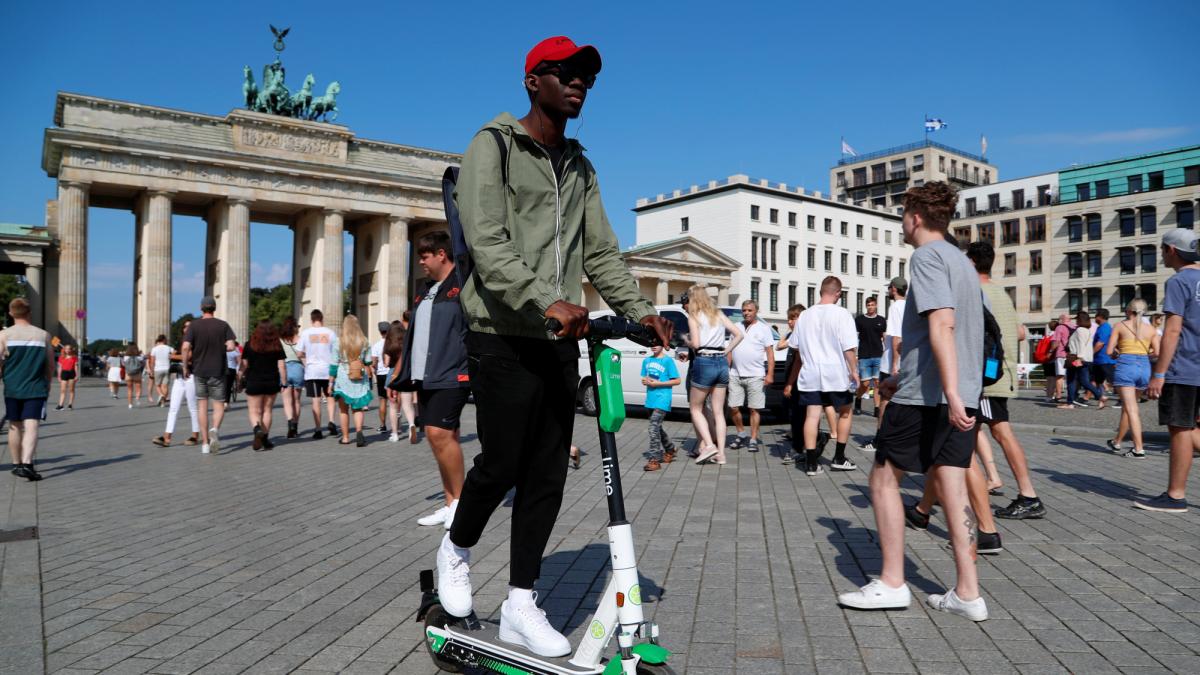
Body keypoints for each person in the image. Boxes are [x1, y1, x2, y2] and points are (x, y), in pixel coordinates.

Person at [435, 35, 673, 658]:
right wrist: (547, 300)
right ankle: (456, 550)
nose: (579, 85)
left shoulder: (581, 165)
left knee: (547, 473)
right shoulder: (493, 146)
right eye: (566, 74)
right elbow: (486, 242)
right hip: (501, 330)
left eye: (587, 78)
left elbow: (600, 251)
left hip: (557, 337)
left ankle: (520, 601)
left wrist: (640, 310)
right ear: (532, 81)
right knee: (504, 461)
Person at [838, 182, 988, 622]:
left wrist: (946, 391)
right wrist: (909, 376)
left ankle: (890, 582)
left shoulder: (926, 256)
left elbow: (942, 323)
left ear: (915, 217)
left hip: (931, 397)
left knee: (884, 479)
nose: (901, 223)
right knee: (954, 486)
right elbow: (954, 333)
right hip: (957, 391)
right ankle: (967, 592)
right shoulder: (962, 262)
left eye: (902, 214)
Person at [957, 242, 1047, 521]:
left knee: (999, 432)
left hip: (986, 378)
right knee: (970, 434)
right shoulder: (1002, 294)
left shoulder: (975, 293)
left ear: (971, 263)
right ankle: (960, 490)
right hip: (1001, 372)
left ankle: (1028, 495)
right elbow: (1020, 333)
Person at [393, 231, 471, 526]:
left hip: (453, 371)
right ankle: (450, 501)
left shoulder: (462, 284)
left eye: (424, 256)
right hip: (425, 374)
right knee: (440, 437)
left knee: (439, 434)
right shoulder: (426, 290)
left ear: (441, 254)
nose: (421, 262)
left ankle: (461, 505)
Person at [1139, 229, 1200, 512]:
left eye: (1162, 250)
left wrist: (1159, 373)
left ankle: (1175, 495)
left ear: (1171, 250)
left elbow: (1172, 330)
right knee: (1190, 429)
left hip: (1184, 367)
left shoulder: (1179, 281)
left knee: (1180, 429)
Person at [785, 276, 859, 475]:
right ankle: (839, 457)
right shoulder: (842, 314)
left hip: (810, 373)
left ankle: (810, 463)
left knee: (812, 415)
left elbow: (797, 352)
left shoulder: (805, 316)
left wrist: (792, 380)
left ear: (820, 291)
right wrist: (854, 371)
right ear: (838, 293)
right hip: (835, 372)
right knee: (845, 411)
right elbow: (849, 348)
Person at [685, 285, 742, 465]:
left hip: (704, 361)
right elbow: (739, 334)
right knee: (718, 412)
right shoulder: (718, 314)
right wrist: (726, 351)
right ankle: (721, 454)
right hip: (721, 362)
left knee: (695, 408)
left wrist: (686, 340)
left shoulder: (693, 317)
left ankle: (709, 445)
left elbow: (695, 343)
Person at [1, 298, 54, 481]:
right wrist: (48, 383)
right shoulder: (43, 335)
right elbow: (50, 365)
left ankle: (16, 464)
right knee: (31, 425)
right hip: (35, 387)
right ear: (29, 312)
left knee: (14, 425)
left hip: (12, 388)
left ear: (11, 313)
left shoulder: (4, 335)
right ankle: (27, 463)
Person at [182, 296, 236, 455]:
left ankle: (205, 443)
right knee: (219, 405)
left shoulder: (194, 325)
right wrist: (221, 348)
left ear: (201, 308)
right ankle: (215, 429)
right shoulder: (223, 325)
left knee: (202, 407)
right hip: (218, 371)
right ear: (214, 308)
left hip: (199, 371)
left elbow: (185, 347)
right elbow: (231, 346)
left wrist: (186, 366)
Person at [1106, 299, 1159, 458]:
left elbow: (1109, 350)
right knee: (1128, 408)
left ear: (1129, 311)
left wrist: (1119, 352)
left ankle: (1138, 448)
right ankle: (1117, 441)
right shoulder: (1151, 329)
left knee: (1131, 409)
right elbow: (1157, 352)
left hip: (1126, 366)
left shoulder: (1120, 326)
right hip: (1144, 367)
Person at [728, 299, 775, 452]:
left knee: (754, 409)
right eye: (744, 310)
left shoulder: (764, 328)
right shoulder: (736, 327)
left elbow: (769, 353)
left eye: (749, 310)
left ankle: (753, 438)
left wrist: (770, 374)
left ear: (756, 311)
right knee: (733, 407)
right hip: (735, 373)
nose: (746, 313)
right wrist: (726, 370)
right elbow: (730, 350)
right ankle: (741, 433)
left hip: (756, 375)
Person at [239, 320, 286, 451]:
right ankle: (265, 438)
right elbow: (281, 366)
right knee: (267, 410)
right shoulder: (277, 345)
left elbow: (244, 365)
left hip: (254, 381)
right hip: (271, 381)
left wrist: (238, 379)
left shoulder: (249, 345)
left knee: (254, 411)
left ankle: (256, 428)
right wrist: (284, 382)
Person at [153, 319, 200, 448]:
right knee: (173, 407)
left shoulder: (196, 342)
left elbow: (189, 356)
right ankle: (167, 437)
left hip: (191, 376)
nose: (187, 329)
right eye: (185, 327)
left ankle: (195, 435)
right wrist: (175, 355)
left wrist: (174, 356)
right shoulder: (182, 342)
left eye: (189, 326)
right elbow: (178, 354)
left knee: (192, 407)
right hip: (179, 377)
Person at [330, 314, 373, 446]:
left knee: (343, 410)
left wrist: (330, 382)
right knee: (358, 409)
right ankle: (359, 432)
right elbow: (368, 361)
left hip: (343, 378)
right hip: (359, 377)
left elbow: (333, 364)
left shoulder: (339, 341)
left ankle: (346, 437)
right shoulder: (364, 341)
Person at [298, 309, 338, 439]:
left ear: (311, 319)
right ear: (322, 319)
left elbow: (299, 353)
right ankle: (331, 422)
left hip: (312, 371)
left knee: (316, 400)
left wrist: (306, 356)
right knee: (330, 397)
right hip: (328, 370)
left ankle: (318, 429)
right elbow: (336, 351)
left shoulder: (305, 333)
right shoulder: (330, 333)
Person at [642, 341, 681, 471]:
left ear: (663, 345)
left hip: (663, 399)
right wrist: (645, 381)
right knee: (657, 428)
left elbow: (677, 380)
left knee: (653, 428)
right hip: (651, 400)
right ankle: (670, 449)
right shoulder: (647, 360)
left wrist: (657, 383)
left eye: (657, 343)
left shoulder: (667, 361)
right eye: (651, 342)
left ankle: (654, 460)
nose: (654, 345)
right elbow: (644, 378)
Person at [876, 278, 908, 430]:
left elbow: (896, 337)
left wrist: (894, 364)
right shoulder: (910, 306)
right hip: (906, 361)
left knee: (885, 399)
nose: (888, 290)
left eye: (889, 287)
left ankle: (880, 436)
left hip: (891, 362)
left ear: (894, 289)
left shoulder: (895, 307)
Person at [1061, 311, 1109, 409]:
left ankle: (1070, 403)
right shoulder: (1087, 330)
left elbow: (1081, 345)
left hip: (1077, 357)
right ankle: (1100, 396)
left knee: (1071, 380)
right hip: (1086, 359)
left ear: (1080, 319)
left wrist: (1079, 358)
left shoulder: (1080, 330)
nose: (1075, 321)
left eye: (1077, 319)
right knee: (1084, 381)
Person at [854, 296, 887, 418]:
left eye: (872, 305)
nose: (871, 307)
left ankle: (877, 408)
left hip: (878, 354)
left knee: (878, 383)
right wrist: (856, 354)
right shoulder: (860, 320)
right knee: (866, 384)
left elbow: (884, 337)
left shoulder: (882, 320)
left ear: (876, 305)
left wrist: (887, 352)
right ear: (866, 306)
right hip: (864, 355)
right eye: (868, 305)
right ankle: (858, 400)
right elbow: (855, 337)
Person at [381, 321, 412, 442]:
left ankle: (394, 433)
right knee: (407, 404)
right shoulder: (406, 342)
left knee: (393, 406)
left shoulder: (389, 344)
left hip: (392, 375)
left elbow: (386, 363)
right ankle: (411, 426)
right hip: (405, 374)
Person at [279, 316, 304, 438]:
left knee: (287, 401)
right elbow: (303, 355)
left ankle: (290, 423)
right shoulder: (300, 339)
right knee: (297, 401)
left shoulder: (280, 340)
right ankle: (296, 425)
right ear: (295, 327)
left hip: (285, 369)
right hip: (298, 369)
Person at [371, 321, 392, 434]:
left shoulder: (376, 345)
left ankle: (383, 425)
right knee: (394, 400)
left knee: (382, 400)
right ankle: (396, 427)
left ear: (380, 332)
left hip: (381, 375)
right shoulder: (392, 344)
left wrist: (374, 370)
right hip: (392, 373)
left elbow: (373, 362)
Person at [1092, 309, 1117, 400]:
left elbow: (1100, 343)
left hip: (1105, 360)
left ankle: (1122, 399)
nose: (1094, 318)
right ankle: (1102, 397)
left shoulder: (1105, 327)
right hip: (1099, 359)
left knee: (1113, 381)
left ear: (1100, 317)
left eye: (1096, 316)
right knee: (1099, 380)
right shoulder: (1101, 327)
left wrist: (1091, 354)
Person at [1048, 313, 1072, 403]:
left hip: (1061, 354)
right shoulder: (1075, 326)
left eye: (1059, 319)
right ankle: (1072, 395)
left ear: (1062, 319)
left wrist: (1050, 351)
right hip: (1072, 355)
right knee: (1072, 376)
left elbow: (1056, 342)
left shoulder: (1060, 327)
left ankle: (1058, 396)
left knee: (1060, 376)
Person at [148, 334, 173, 407]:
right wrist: (170, 357)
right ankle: (163, 403)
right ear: (164, 340)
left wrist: (152, 371)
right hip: (167, 367)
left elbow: (152, 361)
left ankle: (161, 395)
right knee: (165, 386)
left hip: (158, 368)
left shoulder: (154, 349)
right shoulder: (168, 348)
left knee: (157, 385)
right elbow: (175, 352)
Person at [55, 344, 78, 411]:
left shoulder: (74, 357)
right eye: (66, 349)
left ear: (71, 350)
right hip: (64, 373)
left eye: (69, 349)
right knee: (62, 390)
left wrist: (77, 375)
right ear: (64, 350)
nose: (67, 350)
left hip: (72, 373)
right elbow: (59, 367)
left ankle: (70, 405)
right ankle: (60, 405)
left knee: (71, 390)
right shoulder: (61, 357)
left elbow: (75, 367)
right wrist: (59, 376)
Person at [123, 344, 145, 409]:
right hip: (137, 374)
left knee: (129, 390)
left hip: (128, 374)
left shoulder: (125, 357)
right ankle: (137, 398)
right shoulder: (139, 357)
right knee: (139, 388)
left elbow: (124, 365)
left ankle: (130, 404)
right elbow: (143, 364)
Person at [223, 341, 240, 408]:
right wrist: (237, 371)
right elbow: (239, 363)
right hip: (231, 370)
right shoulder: (235, 353)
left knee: (221, 386)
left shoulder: (221, 352)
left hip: (222, 370)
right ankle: (226, 402)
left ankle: (221, 401)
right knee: (228, 387)